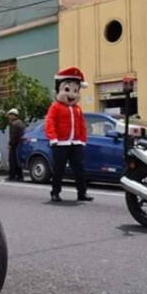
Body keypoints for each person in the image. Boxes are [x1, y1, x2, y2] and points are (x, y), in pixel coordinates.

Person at [45, 67, 93, 202]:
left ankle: (82, 193)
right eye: (67, 90)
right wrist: (53, 138)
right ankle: (55, 192)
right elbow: (50, 122)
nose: (72, 94)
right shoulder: (55, 107)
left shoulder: (77, 109)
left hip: (76, 143)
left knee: (80, 169)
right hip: (60, 143)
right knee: (59, 169)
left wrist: (82, 139)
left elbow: (82, 125)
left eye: (75, 90)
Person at [7, 108, 26, 182]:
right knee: (18, 161)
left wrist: (10, 144)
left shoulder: (14, 124)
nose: (9, 117)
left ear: (13, 115)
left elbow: (13, 136)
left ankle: (12, 176)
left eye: (10, 115)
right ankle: (20, 176)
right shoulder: (21, 123)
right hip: (20, 144)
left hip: (15, 145)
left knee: (12, 161)